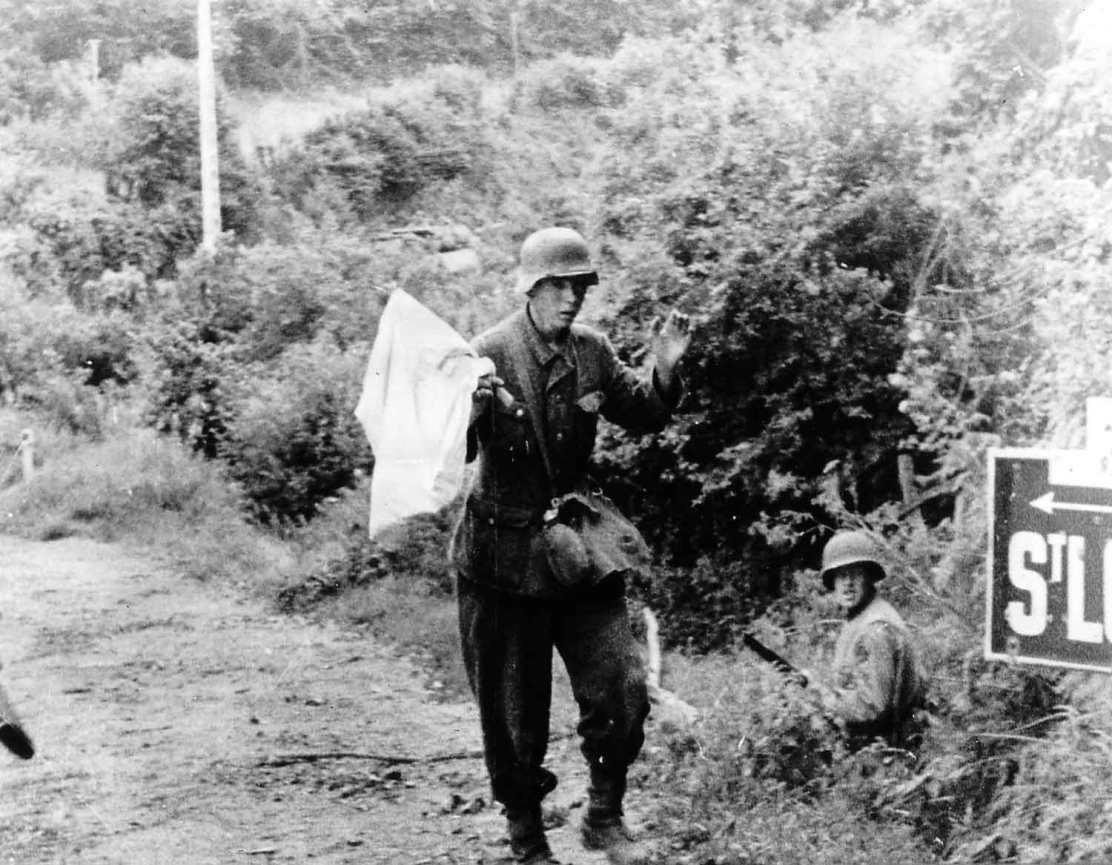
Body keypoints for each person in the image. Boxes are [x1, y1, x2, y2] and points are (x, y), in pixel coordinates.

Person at [452, 226, 691, 865]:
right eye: (557, 285)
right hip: (501, 558)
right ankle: (527, 839)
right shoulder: (488, 352)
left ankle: (604, 816)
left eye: (580, 285)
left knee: (622, 686)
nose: (571, 298)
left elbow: (643, 411)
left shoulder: (592, 350)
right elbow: (452, 453)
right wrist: (468, 412)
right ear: (530, 288)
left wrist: (665, 369)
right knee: (513, 712)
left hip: (578, 548)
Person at [815, 529, 929, 752]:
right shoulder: (862, 617)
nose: (847, 583)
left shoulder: (875, 629)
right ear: (833, 581)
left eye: (855, 573)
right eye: (840, 575)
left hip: (888, 752)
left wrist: (823, 698)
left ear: (868, 577)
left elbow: (872, 706)